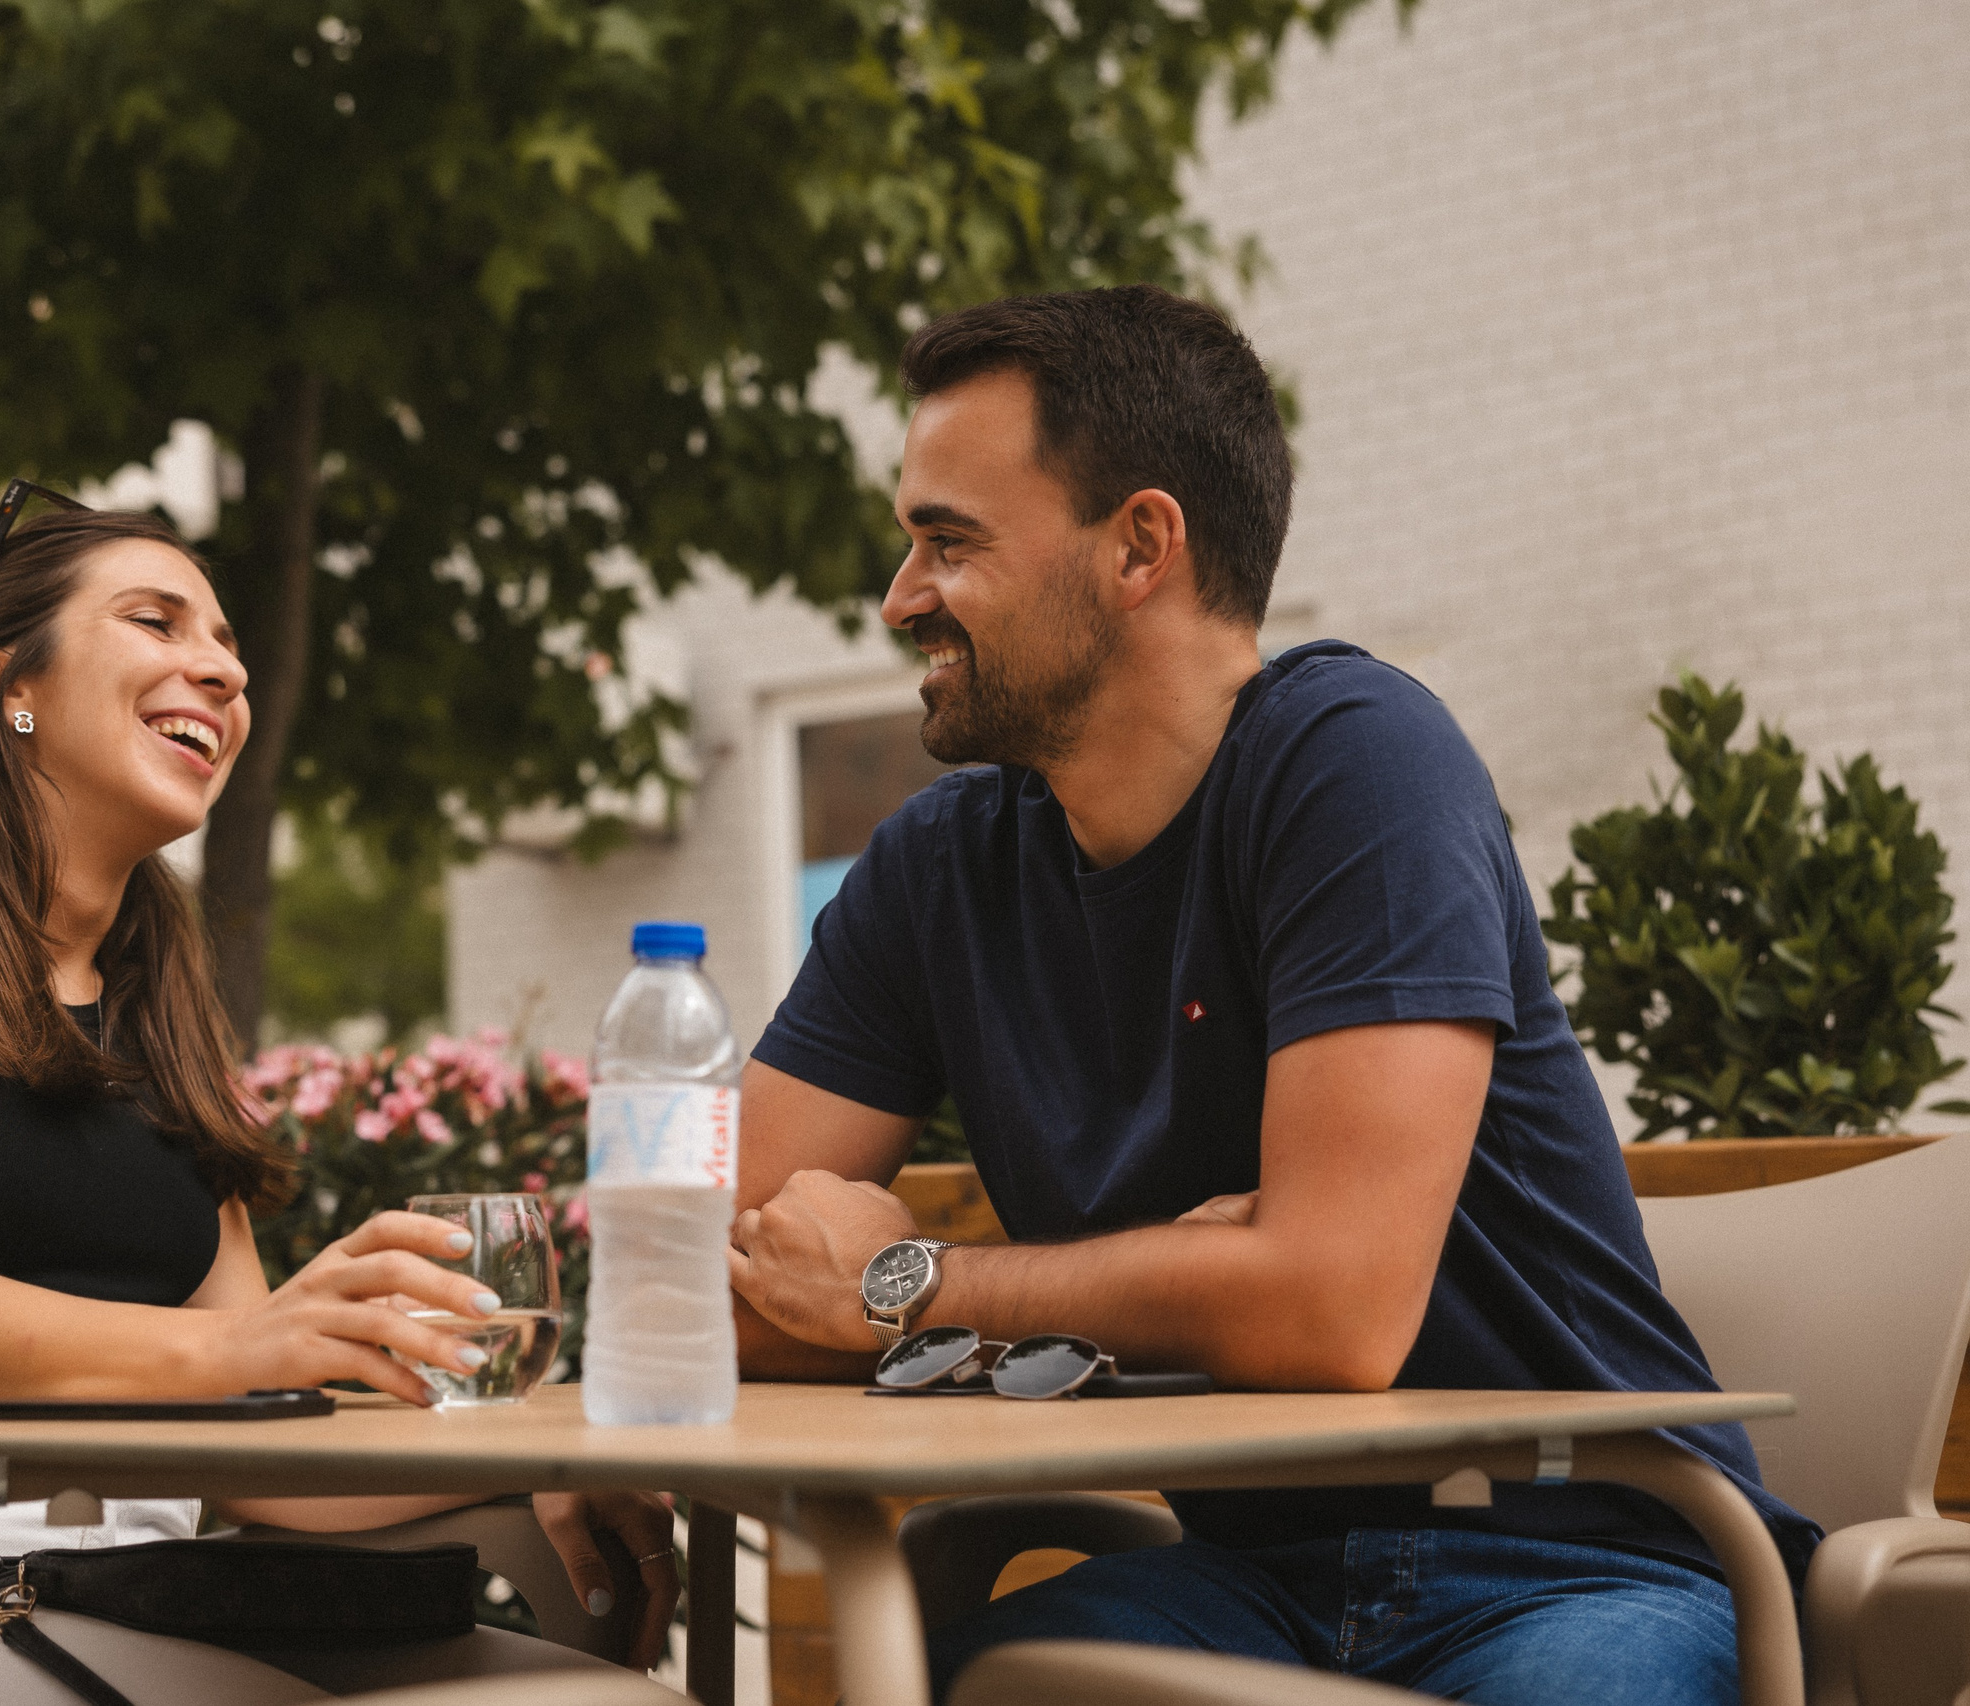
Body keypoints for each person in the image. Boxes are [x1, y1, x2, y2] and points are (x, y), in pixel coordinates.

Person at [724, 286, 1820, 1705]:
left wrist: (904, 1284)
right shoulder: (940, 867)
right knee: (976, 1677)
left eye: (950, 541)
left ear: (1140, 545)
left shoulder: (1356, 763)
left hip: (1589, 1559)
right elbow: (705, 1283)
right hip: (1244, 1574)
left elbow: (1333, 1308)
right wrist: (1189, 1282)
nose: (901, 597)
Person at [0, 493, 676, 1701]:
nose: (219, 669)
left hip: (127, 1570)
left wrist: (532, 1449)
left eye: (230, 645)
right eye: (157, 621)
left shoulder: (161, 1010)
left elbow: (249, 1455)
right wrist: (235, 1345)